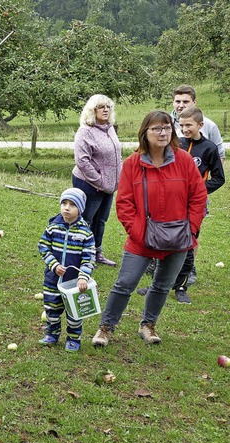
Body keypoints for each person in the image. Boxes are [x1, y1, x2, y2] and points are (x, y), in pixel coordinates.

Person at [92, 110, 207, 347]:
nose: (163, 133)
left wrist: (191, 229)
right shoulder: (133, 164)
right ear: (145, 132)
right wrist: (138, 232)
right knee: (125, 283)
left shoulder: (183, 161)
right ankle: (106, 328)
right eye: (157, 128)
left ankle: (148, 324)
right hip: (141, 238)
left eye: (167, 128)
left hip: (178, 238)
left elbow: (198, 197)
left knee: (162, 285)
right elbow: (124, 203)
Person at [170, 107, 225, 304]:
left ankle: (181, 286)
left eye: (189, 125)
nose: (184, 129)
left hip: (194, 206)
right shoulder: (176, 144)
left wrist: (198, 190)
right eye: (181, 125)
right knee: (166, 241)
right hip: (172, 203)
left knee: (187, 244)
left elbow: (219, 179)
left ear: (200, 125)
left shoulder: (209, 148)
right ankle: (163, 283)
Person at [38, 188, 95, 352]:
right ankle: (52, 334)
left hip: (74, 283)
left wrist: (83, 277)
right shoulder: (53, 227)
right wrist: (54, 265)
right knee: (51, 310)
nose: (66, 208)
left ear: (80, 209)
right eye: (64, 203)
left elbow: (89, 257)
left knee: (75, 313)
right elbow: (43, 246)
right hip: (52, 280)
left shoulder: (85, 232)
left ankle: (73, 338)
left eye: (72, 205)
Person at [72, 94, 122, 267]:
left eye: (108, 106)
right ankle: (80, 254)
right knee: (86, 219)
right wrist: (99, 181)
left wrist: (116, 179)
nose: (106, 110)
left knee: (101, 220)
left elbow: (117, 155)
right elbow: (82, 161)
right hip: (89, 183)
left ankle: (96, 252)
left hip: (108, 186)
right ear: (92, 111)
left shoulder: (109, 128)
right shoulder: (85, 131)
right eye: (101, 107)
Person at [171, 84, 225, 163]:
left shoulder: (209, 126)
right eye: (178, 101)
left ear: (194, 102)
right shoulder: (166, 124)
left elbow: (220, 156)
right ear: (173, 102)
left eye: (185, 102)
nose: (181, 105)